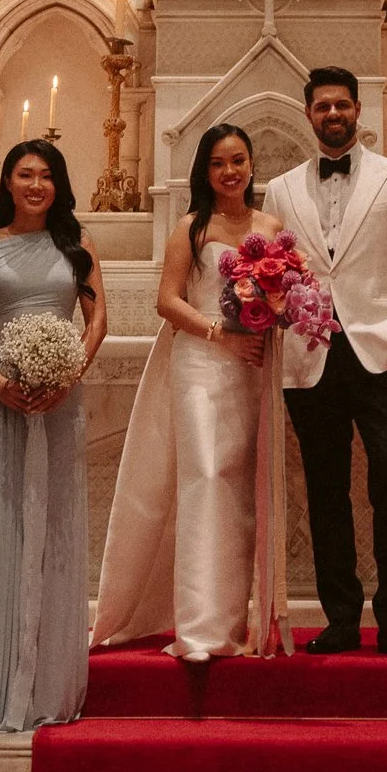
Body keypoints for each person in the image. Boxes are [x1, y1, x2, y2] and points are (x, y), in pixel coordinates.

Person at [93, 125, 291, 661]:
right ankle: (199, 630)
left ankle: (232, 621)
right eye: (219, 163)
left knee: (239, 486)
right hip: (201, 362)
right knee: (204, 476)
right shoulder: (192, 226)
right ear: (205, 171)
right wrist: (219, 334)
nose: (230, 171)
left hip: (249, 367)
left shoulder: (271, 226)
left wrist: (277, 313)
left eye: (239, 160)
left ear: (252, 166)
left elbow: (283, 296)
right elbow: (167, 301)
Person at [272, 68, 387, 656]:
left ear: (359, 110)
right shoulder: (280, 189)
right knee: (324, 490)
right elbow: (280, 272)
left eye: (342, 104)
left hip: (381, 353)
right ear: (309, 114)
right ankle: (342, 617)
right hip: (310, 356)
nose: (333, 114)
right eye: (323, 107)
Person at [0, 141, 107, 730]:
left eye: (47, 176)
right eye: (25, 174)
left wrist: (67, 376)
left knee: (54, 524)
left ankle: (47, 684)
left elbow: (97, 320)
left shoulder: (76, 247)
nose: (36, 184)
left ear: (59, 185)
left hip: (62, 403)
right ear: (7, 181)